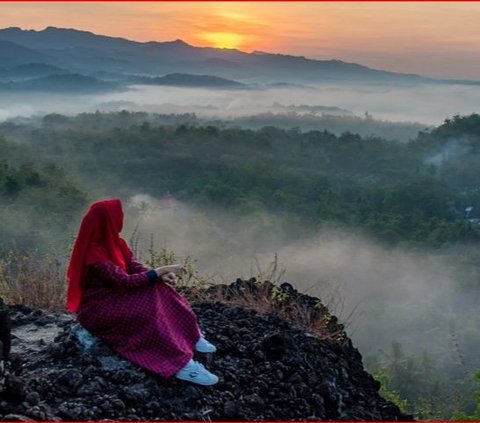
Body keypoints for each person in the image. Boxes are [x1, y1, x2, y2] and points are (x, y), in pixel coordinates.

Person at [66, 198, 218, 386]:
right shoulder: (94, 254)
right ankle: (181, 365)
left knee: (158, 287)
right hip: (99, 310)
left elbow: (133, 265)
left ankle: (192, 335)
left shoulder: (115, 243)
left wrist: (159, 276)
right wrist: (161, 270)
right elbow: (124, 281)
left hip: (115, 297)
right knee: (147, 310)